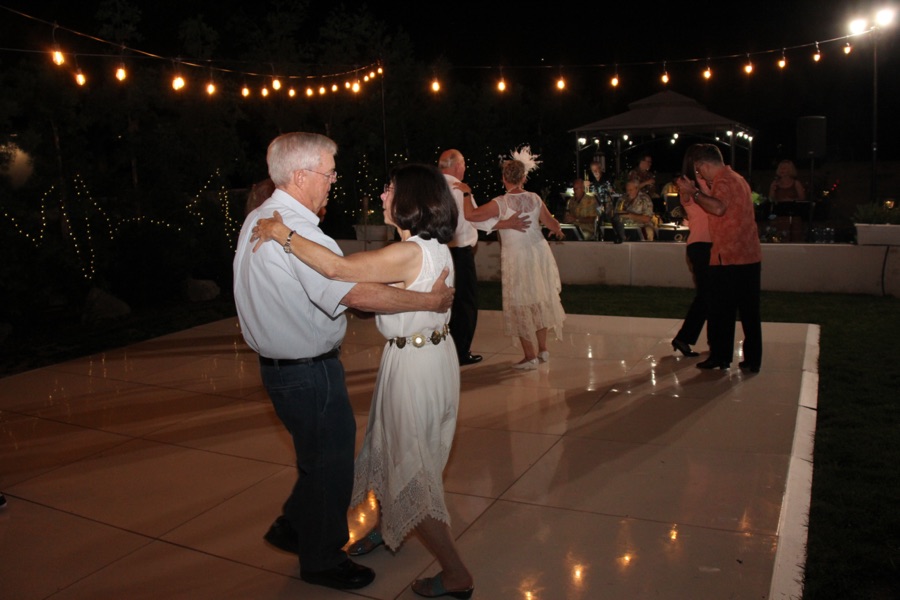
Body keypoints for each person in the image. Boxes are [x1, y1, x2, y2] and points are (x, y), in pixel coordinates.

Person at [233, 133, 454, 592]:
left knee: (321, 458)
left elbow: (352, 286)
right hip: (307, 370)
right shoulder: (301, 230)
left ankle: (295, 524)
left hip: (283, 369)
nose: (335, 180)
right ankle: (320, 558)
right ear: (300, 176)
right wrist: (428, 302)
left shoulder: (261, 216)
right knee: (331, 464)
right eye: (330, 171)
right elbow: (354, 291)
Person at [462, 147, 566, 370]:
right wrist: (556, 229)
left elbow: (471, 215)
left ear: (503, 178)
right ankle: (543, 349)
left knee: (520, 303)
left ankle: (530, 357)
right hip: (538, 254)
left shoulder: (502, 203)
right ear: (524, 177)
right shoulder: (535, 198)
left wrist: (466, 194)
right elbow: (551, 223)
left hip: (518, 258)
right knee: (538, 298)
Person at [675, 143, 762, 373]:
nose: (700, 175)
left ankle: (721, 357)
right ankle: (749, 360)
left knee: (722, 309)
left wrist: (694, 191)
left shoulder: (724, 181)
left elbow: (719, 208)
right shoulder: (738, 179)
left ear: (704, 165)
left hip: (730, 256)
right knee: (747, 311)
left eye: (699, 170)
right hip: (747, 254)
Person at [439, 149, 528, 367]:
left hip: (438, 253)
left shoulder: (431, 185)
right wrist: (506, 223)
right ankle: (460, 352)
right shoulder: (459, 189)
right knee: (465, 302)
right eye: (464, 163)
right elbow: (475, 217)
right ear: (457, 166)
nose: (465, 168)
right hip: (459, 254)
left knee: (442, 303)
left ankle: (442, 348)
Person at [671, 154, 712, 358]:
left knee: (711, 295)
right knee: (706, 295)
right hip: (700, 245)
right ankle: (684, 337)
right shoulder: (687, 186)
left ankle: (699, 338)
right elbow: (692, 199)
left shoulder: (710, 183)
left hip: (712, 244)